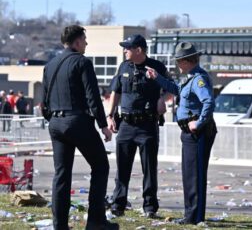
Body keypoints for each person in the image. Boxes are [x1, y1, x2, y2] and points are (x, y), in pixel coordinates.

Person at [42, 25, 118, 230]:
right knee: (101, 166)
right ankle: (96, 222)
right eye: (84, 39)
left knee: (61, 174)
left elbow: (44, 102)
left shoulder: (50, 65)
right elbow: (93, 97)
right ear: (76, 42)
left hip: (56, 123)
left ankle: (60, 226)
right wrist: (103, 125)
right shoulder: (82, 62)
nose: (86, 43)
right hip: (77, 121)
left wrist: (53, 119)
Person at [146, 41, 217, 225]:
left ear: (187, 61)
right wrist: (157, 79)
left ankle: (195, 216)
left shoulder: (198, 79)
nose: (177, 65)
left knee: (195, 175)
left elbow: (209, 102)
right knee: (189, 174)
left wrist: (199, 123)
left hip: (198, 133)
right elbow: (177, 90)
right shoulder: (189, 78)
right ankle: (190, 214)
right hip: (188, 133)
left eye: (179, 61)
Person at [107, 34, 169, 218]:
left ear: (139, 50)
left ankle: (149, 207)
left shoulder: (157, 67)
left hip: (147, 125)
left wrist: (162, 99)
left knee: (149, 169)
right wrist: (110, 115)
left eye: (128, 47)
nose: (125, 50)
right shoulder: (124, 66)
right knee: (122, 168)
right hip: (126, 124)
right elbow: (115, 91)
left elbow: (171, 89)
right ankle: (119, 203)